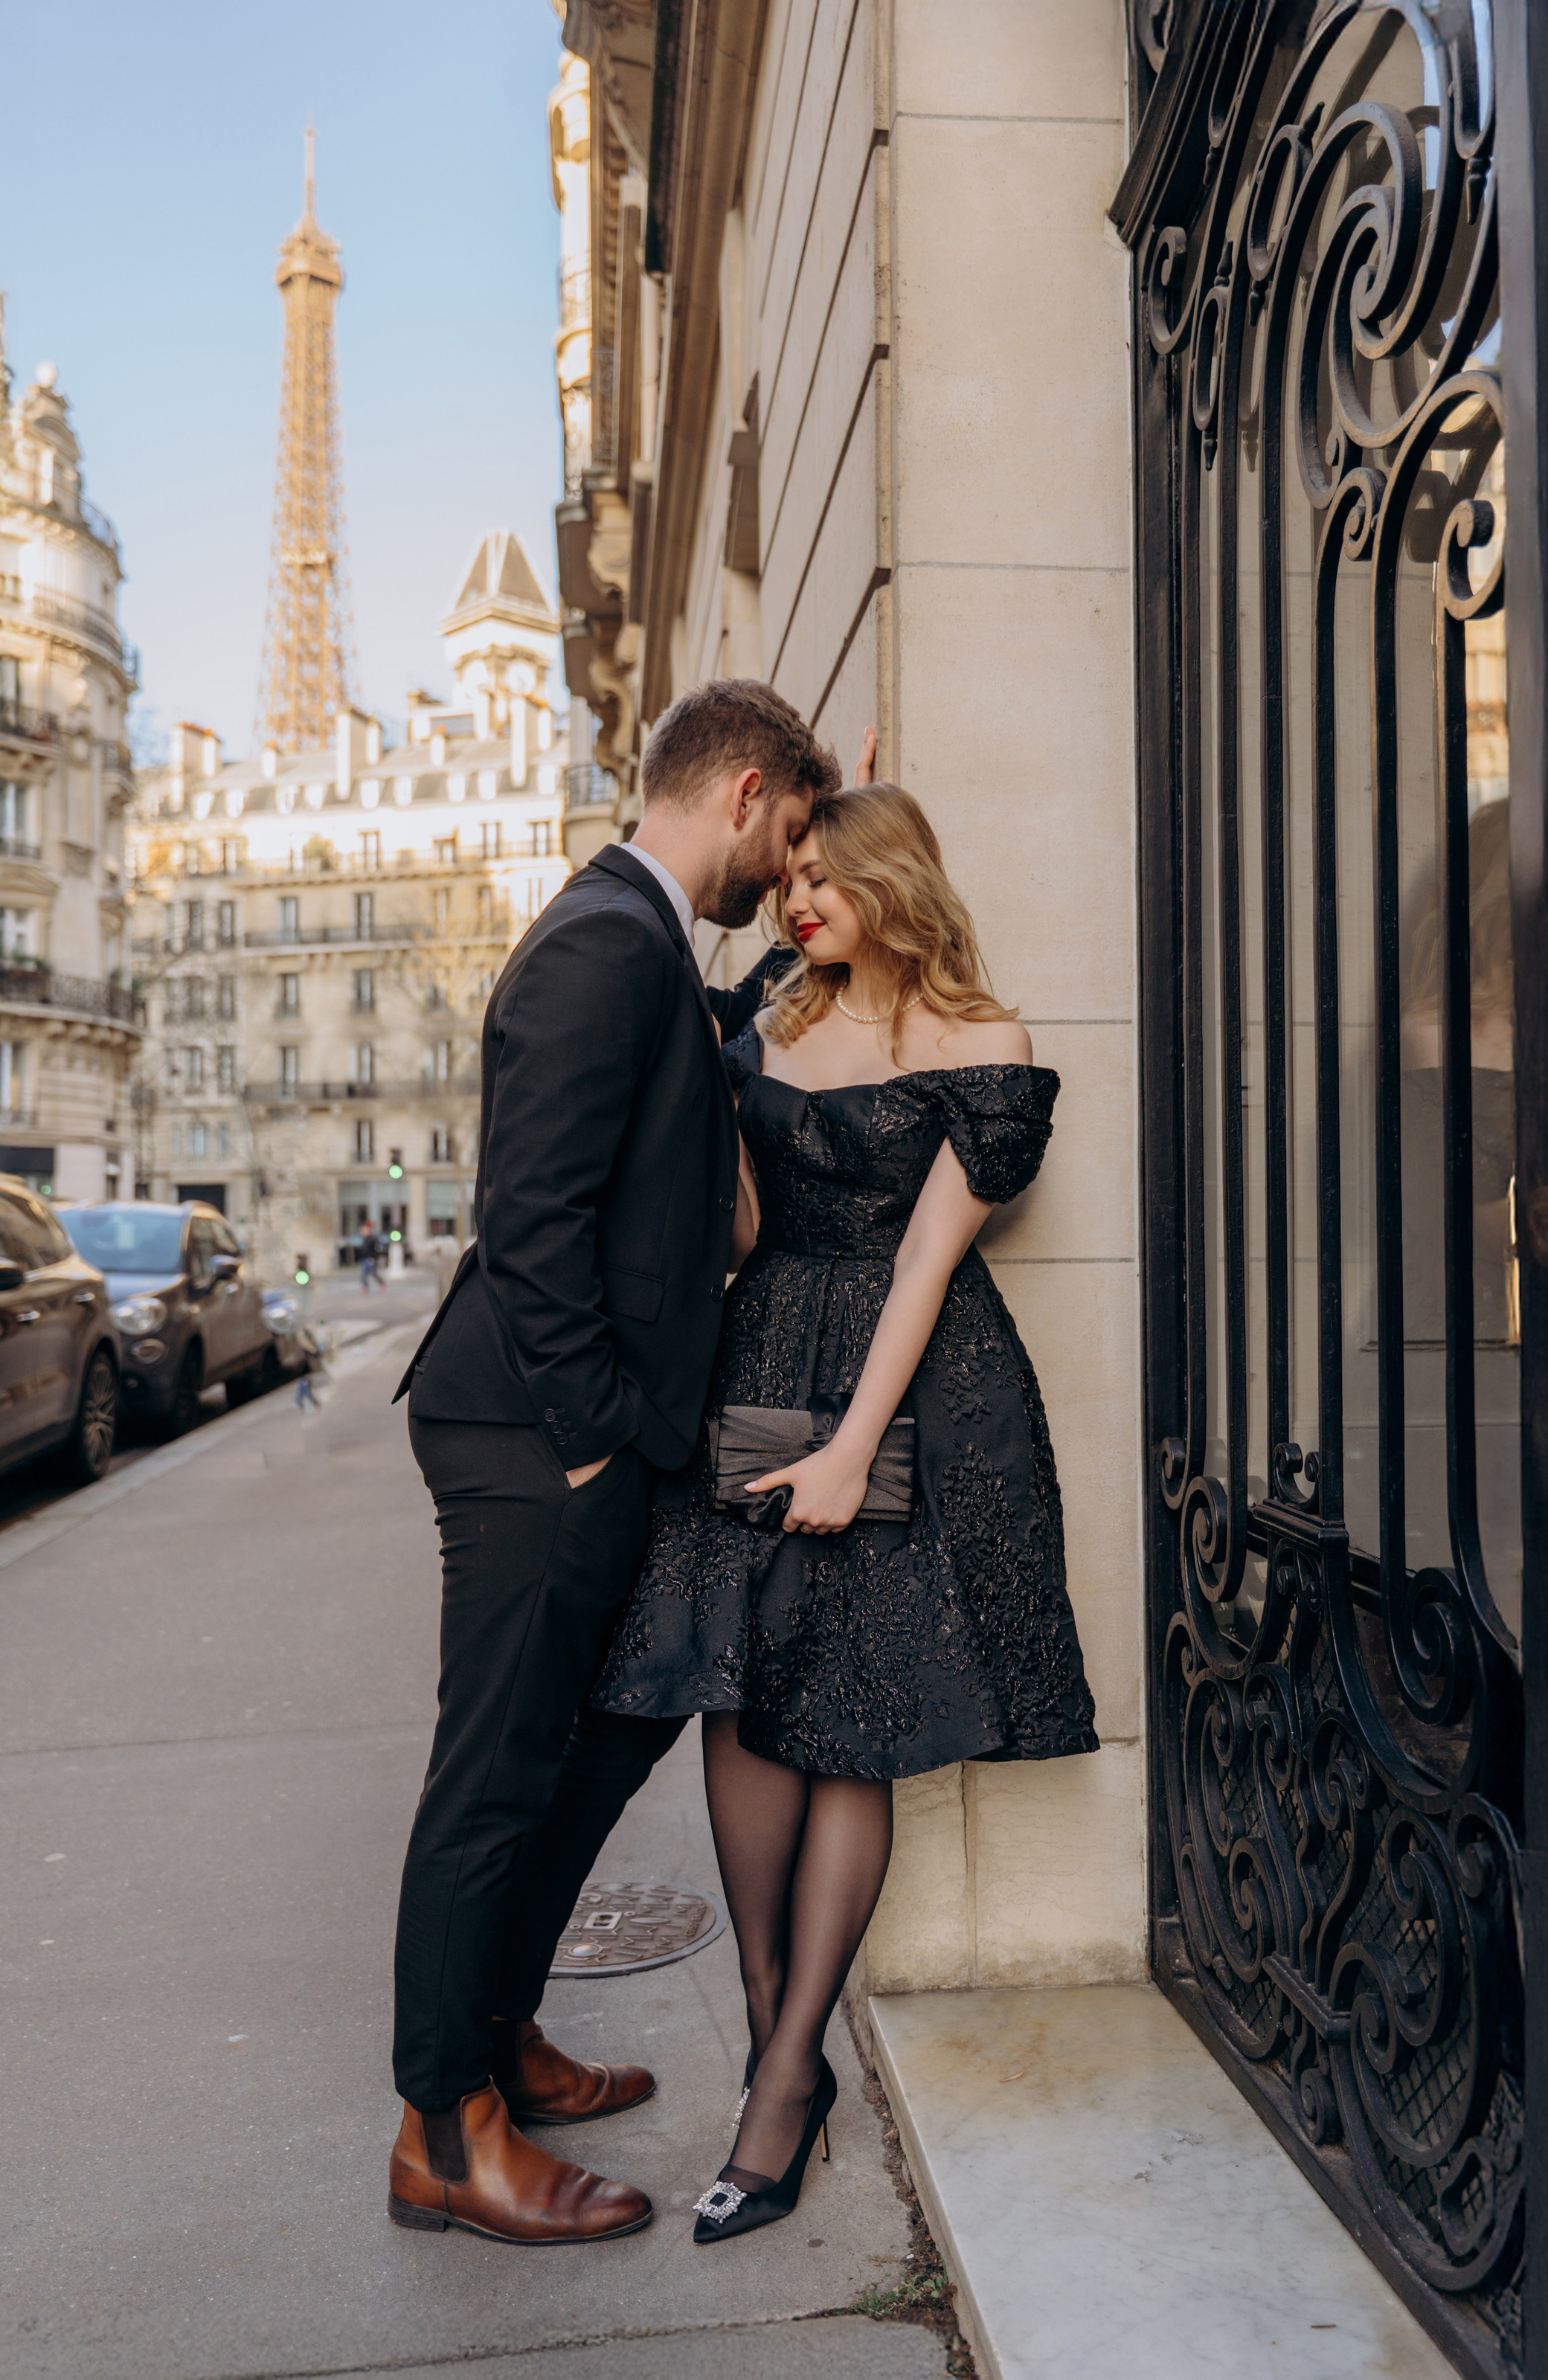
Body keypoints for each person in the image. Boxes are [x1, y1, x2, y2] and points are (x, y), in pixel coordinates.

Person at [593, 781, 1099, 2245]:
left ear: (892, 876)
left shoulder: (981, 1044)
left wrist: (847, 1450)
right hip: (762, 1356)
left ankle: (778, 2078)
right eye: (787, 873)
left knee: (854, 1705)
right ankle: (779, 2042)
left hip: (912, 1378)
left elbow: (930, 1262)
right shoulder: (774, 1024)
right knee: (743, 1699)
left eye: (824, 876)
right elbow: (747, 1220)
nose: (797, 898)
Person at [384, 680, 840, 2247]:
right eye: (786, 832)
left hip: (574, 1433)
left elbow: (682, 1060)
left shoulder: (643, 946)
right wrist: (589, 1444)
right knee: (494, 1778)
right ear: (739, 786)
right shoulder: (599, 939)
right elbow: (529, 1216)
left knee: (594, 1747)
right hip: (532, 1432)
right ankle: (444, 2133)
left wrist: (789, 967)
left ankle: (498, 2044)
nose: (780, 868)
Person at [356, 1220, 382, 1293]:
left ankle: (381, 1283)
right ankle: (365, 1287)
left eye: (365, 1230)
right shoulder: (365, 1239)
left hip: (370, 1259)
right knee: (364, 1274)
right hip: (364, 1259)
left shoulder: (373, 1239)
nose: (363, 1232)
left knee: (373, 1273)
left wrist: (374, 1258)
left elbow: (377, 1249)